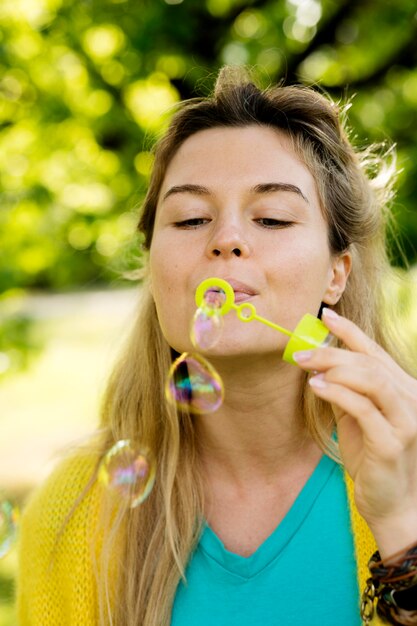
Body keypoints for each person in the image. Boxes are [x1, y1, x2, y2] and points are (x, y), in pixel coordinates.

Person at [17, 66, 417, 626]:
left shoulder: (412, 466)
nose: (226, 240)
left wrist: (403, 528)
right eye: (191, 218)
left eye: (272, 218)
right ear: (155, 269)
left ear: (337, 273)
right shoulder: (72, 511)